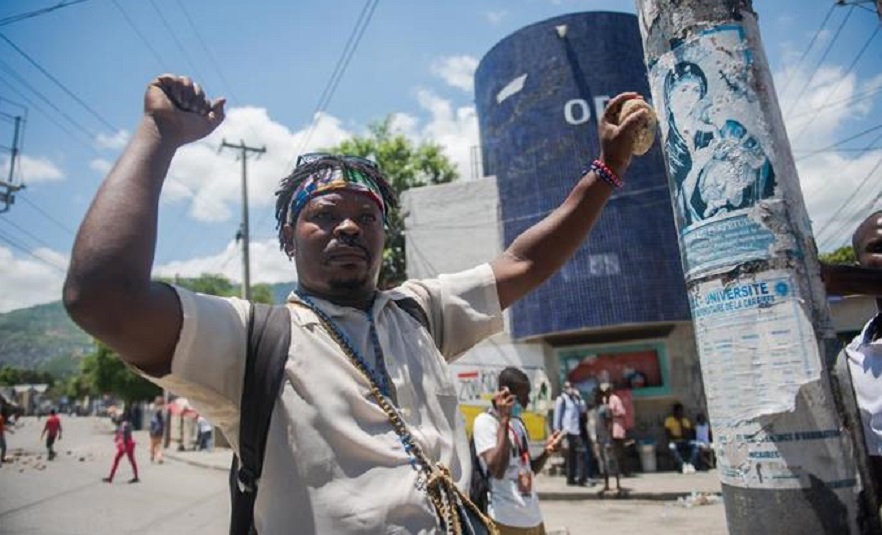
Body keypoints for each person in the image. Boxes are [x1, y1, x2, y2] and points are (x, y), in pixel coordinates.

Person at [62, 73, 648, 533]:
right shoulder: (252, 340)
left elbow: (524, 262)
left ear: (383, 237)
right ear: (289, 239)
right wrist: (159, 135)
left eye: (366, 217)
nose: (348, 227)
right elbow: (101, 297)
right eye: (323, 216)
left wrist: (608, 169)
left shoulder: (420, 312)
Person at [472, 367, 563, 535]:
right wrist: (504, 420)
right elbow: (497, 470)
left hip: (533, 518)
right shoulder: (485, 423)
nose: (527, 402)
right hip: (504, 520)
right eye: (523, 396)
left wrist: (546, 452)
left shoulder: (518, 425)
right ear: (505, 393)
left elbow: (528, 469)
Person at [553, 382, 587, 486]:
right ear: (564, 389)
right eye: (568, 387)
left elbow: (583, 409)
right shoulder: (561, 400)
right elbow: (557, 416)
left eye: (572, 387)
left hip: (576, 430)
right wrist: (557, 433)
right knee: (576, 454)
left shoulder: (575, 400)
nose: (570, 389)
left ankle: (576, 479)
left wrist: (579, 397)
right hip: (567, 432)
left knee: (576, 454)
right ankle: (576, 478)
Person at [594, 383, 625, 494]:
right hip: (600, 439)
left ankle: (617, 484)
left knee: (612, 461)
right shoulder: (597, 409)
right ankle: (607, 485)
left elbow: (609, 424)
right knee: (604, 463)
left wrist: (609, 439)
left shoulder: (606, 408)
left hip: (607, 439)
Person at [104, 411, 139, 483]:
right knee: (132, 460)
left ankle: (110, 477)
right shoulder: (129, 424)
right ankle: (136, 477)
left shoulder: (124, 424)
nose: (120, 417)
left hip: (125, 444)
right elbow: (124, 433)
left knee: (117, 460)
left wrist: (122, 443)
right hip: (130, 444)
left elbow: (123, 434)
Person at [664, 402, 699, 474]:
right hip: (674, 441)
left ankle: (690, 464)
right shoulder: (669, 420)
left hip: (684, 441)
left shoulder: (685, 421)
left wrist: (681, 424)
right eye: (678, 411)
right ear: (675, 411)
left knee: (696, 445)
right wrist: (677, 437)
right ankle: (683, 465)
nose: (680, 413)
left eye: (681, 411)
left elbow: (687, 435)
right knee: (672, 447)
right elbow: (668, 434)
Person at [148, 396, 165, 463]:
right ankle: (159, 457)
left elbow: (152, 421)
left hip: (153, 431)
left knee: (153, 445)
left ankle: (153, 456)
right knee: (158, 446)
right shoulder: (162, 410)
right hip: (159, 431)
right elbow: (162, 422)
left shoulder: (153, 409)